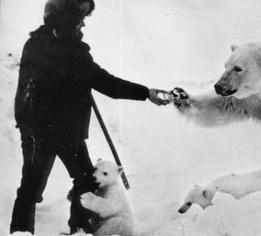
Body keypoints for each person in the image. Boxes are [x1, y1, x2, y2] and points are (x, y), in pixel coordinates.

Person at [10, 0, 170, 234]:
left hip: (58, 133)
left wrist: (145, 93)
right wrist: (146, 93)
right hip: (44, 133)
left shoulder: (42, 45)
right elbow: (107, 84)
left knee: (82, 182)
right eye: (79, 19)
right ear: (65, 19)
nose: (83, 24)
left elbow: (105, 83)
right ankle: (29, 232)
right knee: (36, 188)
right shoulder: (69, 52)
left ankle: (79, 229)